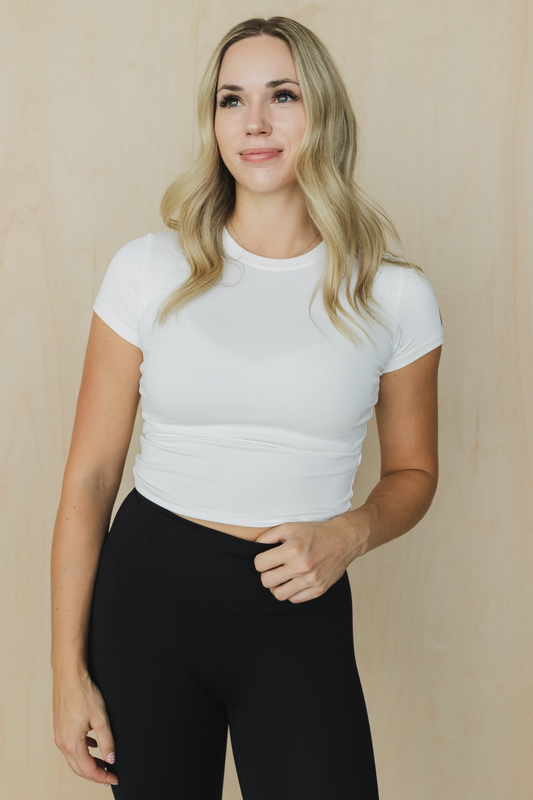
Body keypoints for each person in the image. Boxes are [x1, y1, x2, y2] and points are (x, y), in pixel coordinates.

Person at [50, 15, 443, 800]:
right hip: (147, 603)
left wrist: (349, 534)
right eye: (232, 100)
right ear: (213, 121)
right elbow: (91, 478)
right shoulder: (147, 270)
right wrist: (66, 672)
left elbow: (412, 471)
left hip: (297, 607)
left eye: (282, 96)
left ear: (321, 113)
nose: (255, 124)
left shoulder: (393, 294)